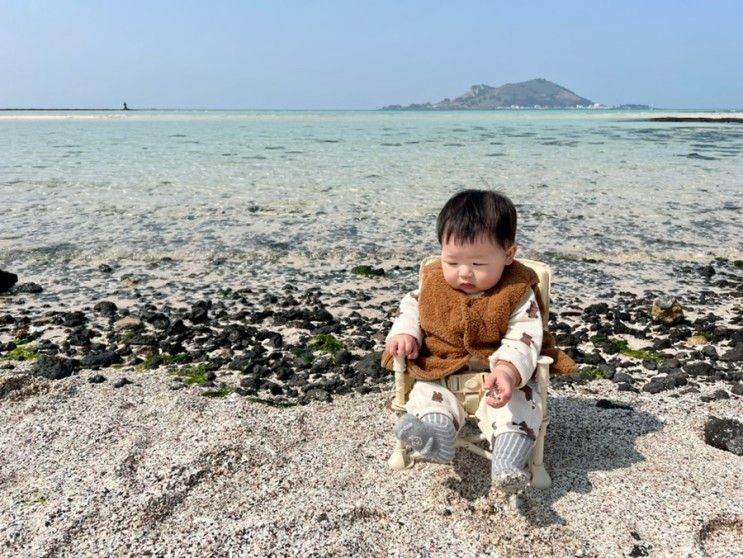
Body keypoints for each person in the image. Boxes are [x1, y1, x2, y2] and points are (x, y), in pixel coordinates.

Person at [382, 189, 576, 495]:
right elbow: (411, 308)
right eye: (452, 261)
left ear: (508, 255)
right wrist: (405, 334)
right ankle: (437, 438)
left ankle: (507, 465)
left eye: (478, 264)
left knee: (519, 407)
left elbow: (525, 336)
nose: (464, 273)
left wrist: (508, 371)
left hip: (496, 381)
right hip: (442, 372)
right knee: (426, 397)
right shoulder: (434, 283)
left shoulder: (516, 291)